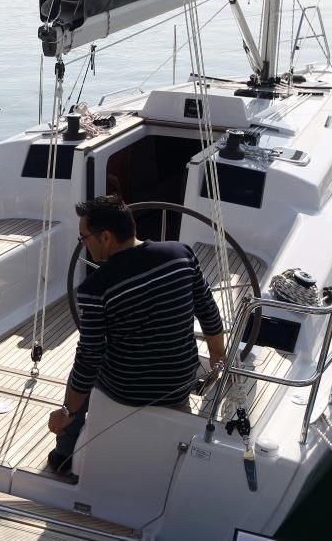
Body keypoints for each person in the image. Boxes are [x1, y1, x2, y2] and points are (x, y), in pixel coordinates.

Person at [47, 195, 227, 482]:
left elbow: (89, 358)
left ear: (105, 237)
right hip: (180, 382)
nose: (83, 244)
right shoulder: (181, 254)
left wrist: (67, 410)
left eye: (84, 238)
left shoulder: (95, 288)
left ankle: (63, 457)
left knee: (81, 377)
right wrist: (218, 354)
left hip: (128, 390)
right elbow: (207, 308)